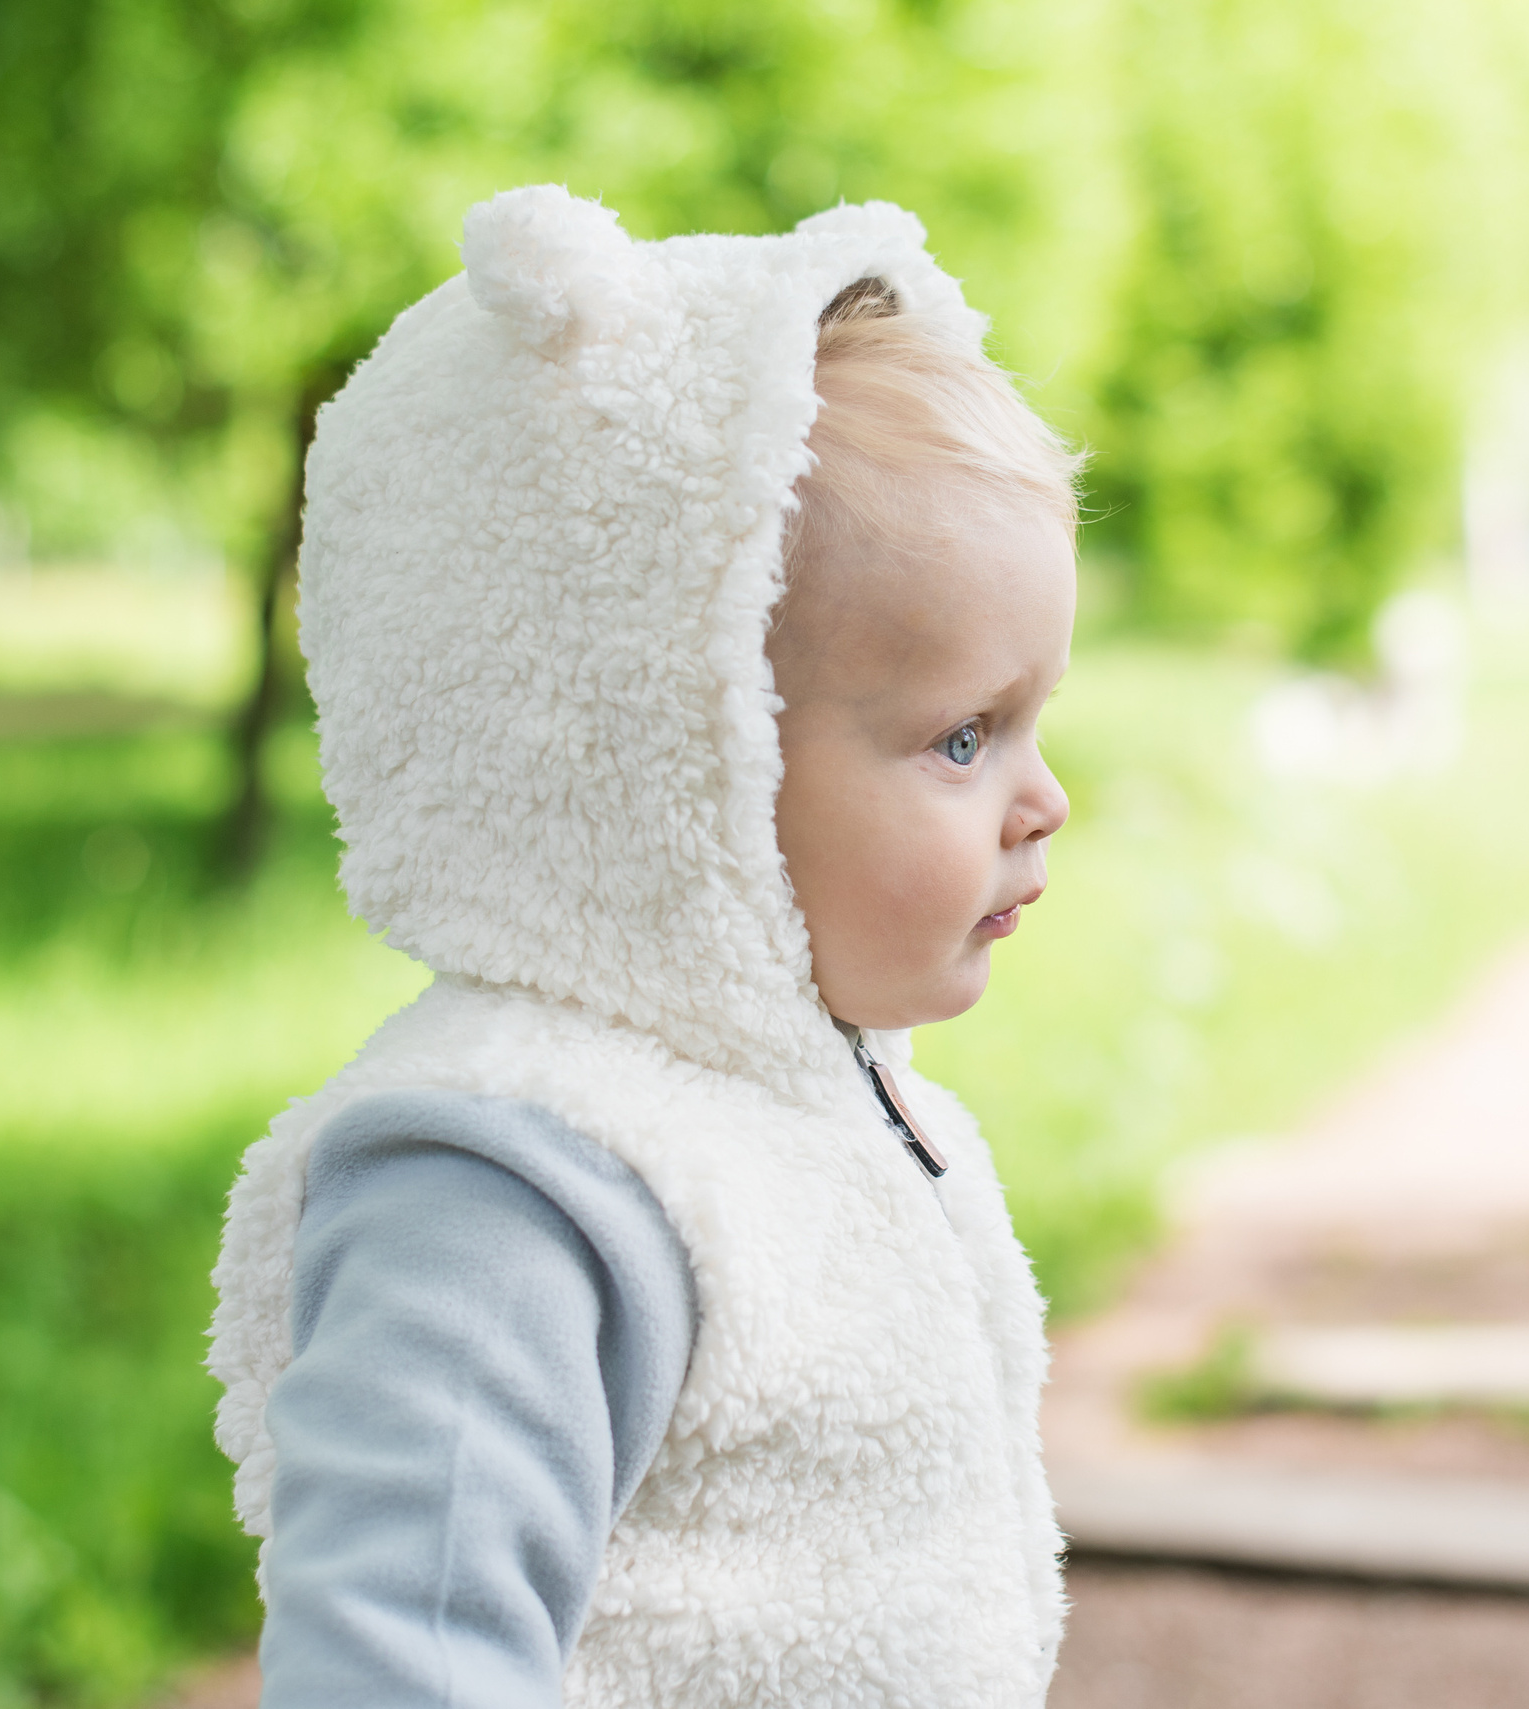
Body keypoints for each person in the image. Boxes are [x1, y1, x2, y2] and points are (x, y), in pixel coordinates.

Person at [206, 184, 1079, 1707]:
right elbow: (400, 1659)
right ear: (670, 749)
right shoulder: (512, 1183)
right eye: (961, 737)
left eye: (1027, 721)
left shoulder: (810, 1106)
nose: (1044, 798)